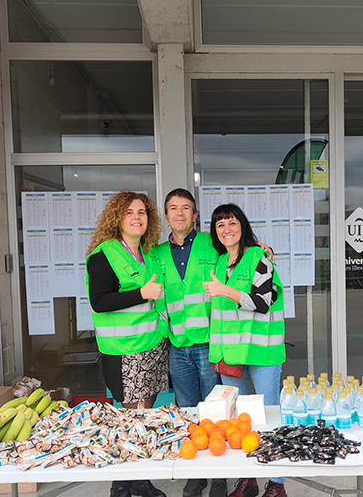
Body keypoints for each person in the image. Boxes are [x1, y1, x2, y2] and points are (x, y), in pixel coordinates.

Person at [86, 191, 169, 497]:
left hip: (151, 346)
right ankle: (125, 483)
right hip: (124, 351)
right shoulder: (104, 255)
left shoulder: (146, 254)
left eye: (142, 212)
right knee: (130, 418)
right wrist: (141, 293)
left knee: (144, 416)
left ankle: (134, 479)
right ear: (117, 219)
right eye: (129, 213)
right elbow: (99, 302)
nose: (137, 217)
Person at [203, 203, 287, 497]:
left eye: (232, 223)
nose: (227, 229)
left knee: (267, 418)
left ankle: (276, 484)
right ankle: (247, 477)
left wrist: (225, 290)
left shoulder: (259, 257)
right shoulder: (217, 263)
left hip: (262, 352)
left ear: (243, 226)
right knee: (237, 421)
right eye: (220, 225)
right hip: (231, 355)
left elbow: (263, 302)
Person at [153, 188, 225, 497]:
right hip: (177, 347)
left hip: (209, 344)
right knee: (187, 413)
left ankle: (220, 474)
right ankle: (195, 474)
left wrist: (263, 247)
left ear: (195, 215)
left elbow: (243, 253)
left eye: (186, 208)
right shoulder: (155, 254)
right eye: (173, 208)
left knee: (214, 412)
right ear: (166, 215)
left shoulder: (214, 244)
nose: (179, 213)